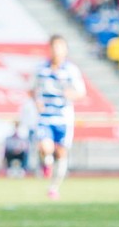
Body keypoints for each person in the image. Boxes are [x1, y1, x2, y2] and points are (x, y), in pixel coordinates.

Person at [32, 34, 86, 199]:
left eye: (60, 47)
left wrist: (72, 94)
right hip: (46, 116)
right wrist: (37, 101)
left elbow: (81, 92)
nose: (57, 50)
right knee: (45, 147)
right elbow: (32, 89)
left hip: (64, 117)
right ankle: (46, 163)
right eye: (54, 47)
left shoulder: (70, 70)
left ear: (65, 50)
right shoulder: (41, 69)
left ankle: (54, 187)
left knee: (61, 153)